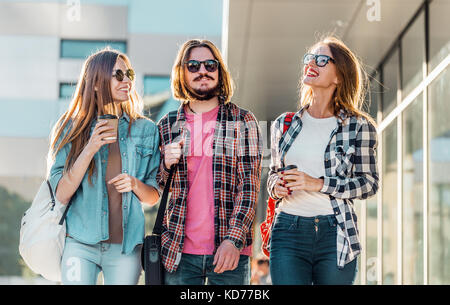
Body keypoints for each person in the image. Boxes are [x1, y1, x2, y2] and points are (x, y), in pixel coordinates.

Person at [267, 36, 379, 285]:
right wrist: (276, 186)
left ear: (339, 76)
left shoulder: (359, 127)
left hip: (336, 232)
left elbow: (369, 183)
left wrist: (318, 183)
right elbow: (273, 174)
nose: (311, 63)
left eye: (321, 60)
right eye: (310, 58)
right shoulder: (284, 124)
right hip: (288, 230)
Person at [47, 48, 161, 285]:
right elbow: (61, 193)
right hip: (79, 242)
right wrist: (90, 147)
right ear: (97, 83)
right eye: (118, 75)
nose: (127, 80)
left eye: (129, 73)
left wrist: (134, 184)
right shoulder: (70, 129)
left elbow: (152, 196)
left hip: (126, 247)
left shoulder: (146, 130)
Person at [157, 39, 263, 285]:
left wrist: (233, 240)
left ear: (219, 71)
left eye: (209, 65)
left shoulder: (242, 120)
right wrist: (165, 164)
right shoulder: (167, 124)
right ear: (182, 73)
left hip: (229, 253)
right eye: (193, 65)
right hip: (178, 252)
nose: (202, 71)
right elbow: (157, 188)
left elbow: (249, 186)